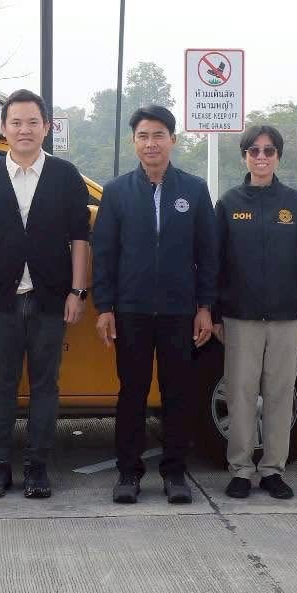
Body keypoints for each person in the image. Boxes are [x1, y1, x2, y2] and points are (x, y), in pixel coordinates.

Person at [0, 89, 90, 499]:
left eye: (33, 122)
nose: (24, 129)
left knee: (45, 386)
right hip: (0, 301)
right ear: (4, 129)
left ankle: (37, 467)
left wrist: (78, 291)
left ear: (46, 127)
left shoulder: (65, 175)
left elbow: (80, 238)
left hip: (50, 299)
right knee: (0, 386)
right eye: (16, 122)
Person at [92, 105, 218, 504]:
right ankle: (128, 473)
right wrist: (105, 307)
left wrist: (205, 306)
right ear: (134, 142)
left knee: (177, 393)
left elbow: (208, 253)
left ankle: (175, 473)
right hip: (131, 310)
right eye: (143, 136)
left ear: (172, 140)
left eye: (158, 135)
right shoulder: (117, 192)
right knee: (132, 392)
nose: (151, 143)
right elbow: (104, 254)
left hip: (180, 311)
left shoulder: (194, 190)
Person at [213, 125, 297, 501]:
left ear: (278, 156)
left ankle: (273, 469)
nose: (261, 157)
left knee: (280, 395)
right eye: (253, 150)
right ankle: (241, 469)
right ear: (244, 156)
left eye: (268, 151)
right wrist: (216, 313)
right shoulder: (228, 203)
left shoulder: (294, 203)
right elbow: (216, 263)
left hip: (287, 318)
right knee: (240, 394)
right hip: (240, 318)